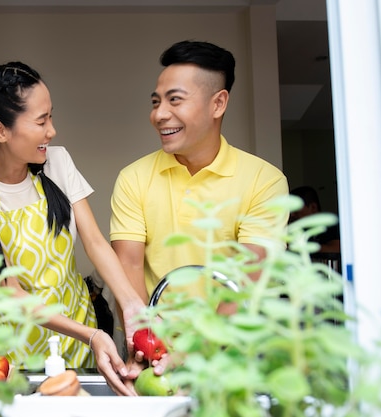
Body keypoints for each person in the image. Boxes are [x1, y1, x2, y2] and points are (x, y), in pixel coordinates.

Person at [0, 61, 145, 396]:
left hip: (80, 345)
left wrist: (130, 303)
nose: (52, 130)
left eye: (51, 117)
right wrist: (92, 334)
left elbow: (95, 243)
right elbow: (8, 293)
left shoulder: (58, 162)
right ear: (1, 131)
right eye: (42, 121)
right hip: (17, 357)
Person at [110, 40, 289, 376]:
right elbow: (128, 266)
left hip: (233, 356)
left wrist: (199, 352)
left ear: (218, 103)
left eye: (175, 100)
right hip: (155, 355)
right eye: (156, 102)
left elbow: (246, 282)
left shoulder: (264, 181)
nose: (160, 114)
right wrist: (153, 343)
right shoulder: (133, 178)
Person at [289, 185, 340, 253]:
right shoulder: (296, 228)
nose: (292, 214)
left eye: (295, 209)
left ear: (313, 207)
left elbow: (336, 248)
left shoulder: (332, 223)